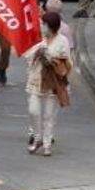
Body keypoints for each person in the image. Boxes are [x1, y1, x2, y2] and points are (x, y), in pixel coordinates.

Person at [25, 12, 72, 157]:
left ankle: (46, 143)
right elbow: (27, 56)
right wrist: (38, 53)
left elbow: (68, 62)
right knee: (33, 111)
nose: (41, 27)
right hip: (36, 80)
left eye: (43, 24)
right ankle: (37, 137)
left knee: (49, 115)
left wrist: (51, 58)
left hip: (53, 82)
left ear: (50, 26)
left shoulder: (62, 41)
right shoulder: (40, 40)